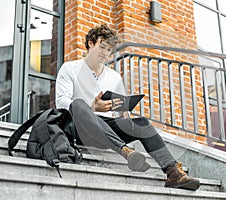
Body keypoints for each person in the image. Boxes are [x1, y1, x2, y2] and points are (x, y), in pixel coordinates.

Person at [55, 23, 200, 191]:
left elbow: (120, 116)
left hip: (107, 130)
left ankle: (174, 173)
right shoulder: (70, 68)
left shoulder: (114, 76)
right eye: (102, 47)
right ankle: (126, 152)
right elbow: (62, 103)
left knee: (142, 123)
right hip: (79, 128)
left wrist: (124, 112)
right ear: (90, 43)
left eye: (109, 50)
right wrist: (92, 107)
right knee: (78, 104)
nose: (105, 53)